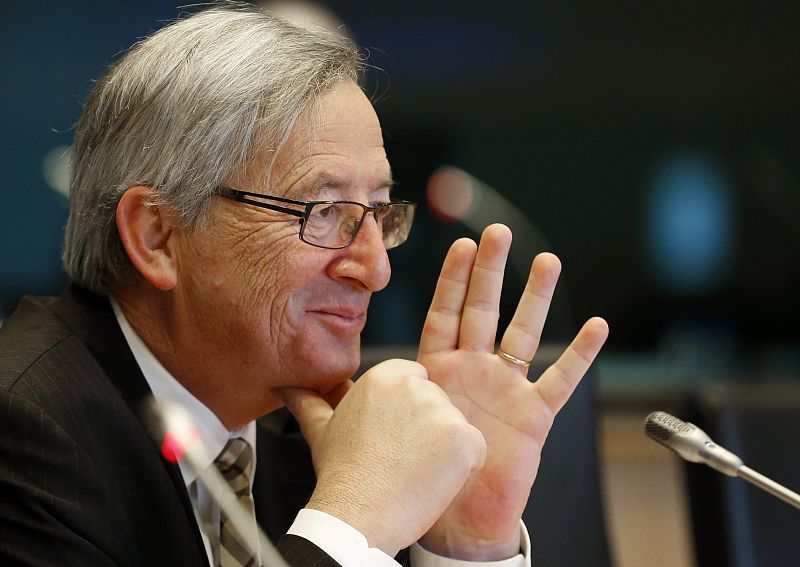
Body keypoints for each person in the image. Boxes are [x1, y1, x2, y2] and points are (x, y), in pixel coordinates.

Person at [0, 4, 608, 567]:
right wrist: (348, 525)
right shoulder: (24, 429)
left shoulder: (306, 424)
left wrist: (462, 544)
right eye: (321, 212)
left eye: (378, 211)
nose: (376, 269)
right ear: (157, 235)